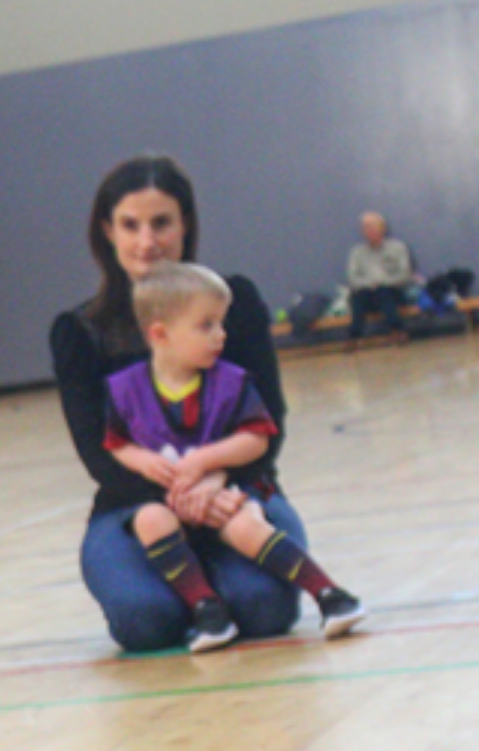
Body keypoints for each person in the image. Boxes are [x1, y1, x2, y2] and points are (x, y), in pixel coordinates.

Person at [52, 154, 315, 653]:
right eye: (131, 225)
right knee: (146, 621)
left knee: (265, 608)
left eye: (161, 223)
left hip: (235, 491)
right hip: (133, 507)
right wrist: (179, 500)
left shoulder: (231, 303)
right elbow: (99, 454)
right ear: (107, 230)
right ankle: (186, 594)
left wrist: (216, 482)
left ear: (185, 224)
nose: (147, 241)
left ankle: (222, 584)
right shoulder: (79, 332)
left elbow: (268, 425)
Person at [107, 264, 365, 651]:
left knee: (245, 527)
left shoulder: (231, 381)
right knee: (149, 519)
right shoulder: (125, 389)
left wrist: (207, 463)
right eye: (206, 325)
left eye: (221, 323)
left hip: (229, 491)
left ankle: (330, 595)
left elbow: (256, 439)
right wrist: (142, 462)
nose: (221, 335)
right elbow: (117, 443)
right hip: (169, 499)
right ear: (159, 334)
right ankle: (208, 611)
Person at [345, 211, 421, 343]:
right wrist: (370, 284)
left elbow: (404, 274)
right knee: (357, 297)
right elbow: (352, 278)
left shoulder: (398, 247)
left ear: (383, 229)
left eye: (373, 226)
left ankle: (398, 330)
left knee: (383, 292)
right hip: (367, 292)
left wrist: (382, 282)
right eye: (366, 227)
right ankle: (354, 336)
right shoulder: (356, 252)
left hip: (394, 291)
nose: (369, 230)